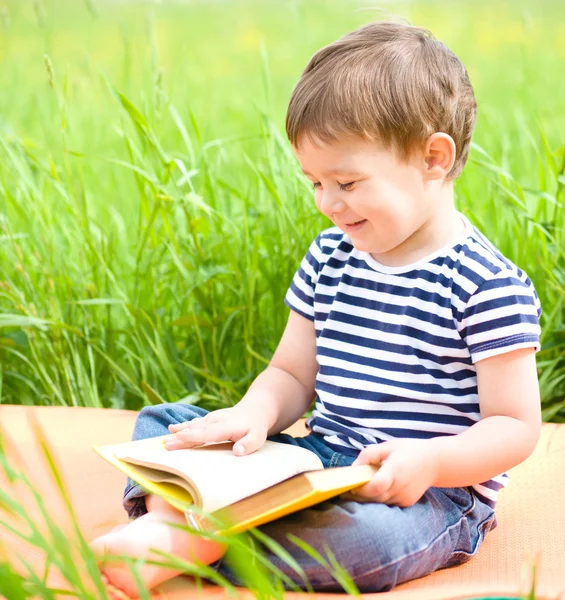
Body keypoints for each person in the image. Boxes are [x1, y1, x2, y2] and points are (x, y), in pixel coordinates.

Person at [92, 19, 542, 599]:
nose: (328, 203)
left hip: (423, 493)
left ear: (433, 158)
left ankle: (191, 533)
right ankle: (198, 523)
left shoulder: (486, 284)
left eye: (348, 182)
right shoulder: (331, 256)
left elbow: (514, 427)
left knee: (371, 543)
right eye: (314, 182)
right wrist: (256, 413)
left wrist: (432, 461)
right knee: (167, 425)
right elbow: (291, 375)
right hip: (315, 457)